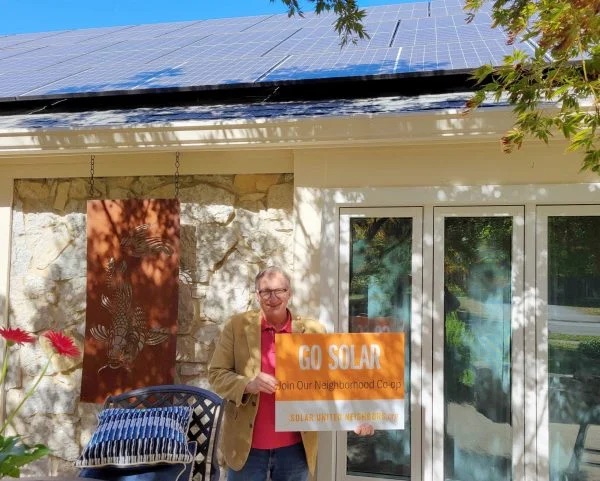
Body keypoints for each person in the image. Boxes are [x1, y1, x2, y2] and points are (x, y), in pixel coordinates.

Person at [208, 266, 374, 481]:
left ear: (290, 293)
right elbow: (216, 374)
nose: (273, 297)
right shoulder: (237, 326)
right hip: (246, 449)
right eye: (265, 291)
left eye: (280, 290)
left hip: (295, 449)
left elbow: (332, 381)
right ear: (257, 295)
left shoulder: (313, 331)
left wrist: (357, 416)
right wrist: (248, 384)